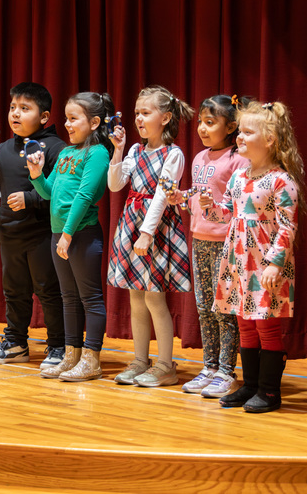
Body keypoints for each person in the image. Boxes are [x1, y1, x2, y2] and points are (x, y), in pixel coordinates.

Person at [200, 101, 304, 413]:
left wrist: (275, 263)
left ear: (270, 139)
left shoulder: (281, 181)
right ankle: (249, 385)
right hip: (238, 264)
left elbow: (288, 225)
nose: (240, 137)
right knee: (245, 323)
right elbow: (227, 215)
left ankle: (270, 391)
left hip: (264, 266)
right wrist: (209, 206)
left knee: (265, 326)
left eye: (247, 131)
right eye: (240, 131)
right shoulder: (239, 176)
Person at [0, 82, 65, 368]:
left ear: (44, 117)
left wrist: (31, 199)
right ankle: (15, 342)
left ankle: (58, 346)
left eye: (25, 109)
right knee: (14, 291)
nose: (15, 113)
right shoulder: (5, 148)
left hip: (42, 233)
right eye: (13, 107)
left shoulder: (56, 148)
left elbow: (61, 193)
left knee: (48, 291)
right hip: (11, 232)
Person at [107, 85, 193, 387]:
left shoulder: (174, 154)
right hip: (130, 224)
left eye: (146, 113)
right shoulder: (134, 150)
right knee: (135, 298)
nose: (139, 119)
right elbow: (115, 184)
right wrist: (117, 150)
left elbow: (160, 195)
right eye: (136, 114)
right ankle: (140, 361)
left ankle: (166, 365)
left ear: (166, 117)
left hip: (155, 229)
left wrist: (146, 233)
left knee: (155, 298)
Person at [28, 92, 113, 381]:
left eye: (73, 118)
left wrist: (67, 234)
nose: (67, 124)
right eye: (66, 117)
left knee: (90, 298)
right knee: (68, 298)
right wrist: (37, 174)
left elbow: (84, 195)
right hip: (59, 235)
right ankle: (71, 355)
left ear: (94, 122)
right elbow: (50, 192)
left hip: (82, 235)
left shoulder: (98, 153)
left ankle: (92, 360)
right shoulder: (65, 153)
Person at [168, 95, 249, 397]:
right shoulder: (200, 157)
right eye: (201, 122)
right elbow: (199, 194)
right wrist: (183, 198)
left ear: (230, 127)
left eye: (210, 123)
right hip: (199, 239)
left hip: (226, 243)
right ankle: (209, 366)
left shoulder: (238, 159)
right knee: (204, 307)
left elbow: (236, 202)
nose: (202, 128)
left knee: (224, 309)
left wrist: (211, 205)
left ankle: (227, 371)